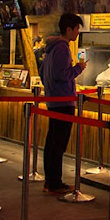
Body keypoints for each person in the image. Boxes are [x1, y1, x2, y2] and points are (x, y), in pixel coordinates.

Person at [40, 13, 87, 195]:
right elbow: (62, 75)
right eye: (76, 29)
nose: (77, 33)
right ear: (68, 29)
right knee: (58, 144)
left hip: (53, 100)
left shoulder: (51, 48)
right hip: (63, 101)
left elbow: (43, 72)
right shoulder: (62, 48)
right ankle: (55, 184)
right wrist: (78, 69)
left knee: (52, 142)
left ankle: (50, 181)